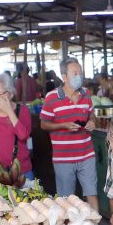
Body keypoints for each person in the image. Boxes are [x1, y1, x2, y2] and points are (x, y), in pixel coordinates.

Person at [40, 58, 98, 209]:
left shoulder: (86, 93)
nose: (79, 75)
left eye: (80, 72)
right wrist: (63, 125)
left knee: (91, 193)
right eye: (75, 73)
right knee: (67, 200)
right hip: (63, 158)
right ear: (64, 77)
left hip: (86, 154)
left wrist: (92, 121)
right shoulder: (52, 97)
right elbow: (43, 124)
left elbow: (91, 115)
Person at [0, 72, 34, 183]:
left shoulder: (22, 111)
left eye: (1, 94)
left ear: (10, 93)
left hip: (20, 169)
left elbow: (23, 135)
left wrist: (9, 111)